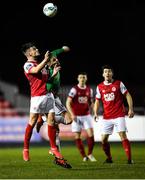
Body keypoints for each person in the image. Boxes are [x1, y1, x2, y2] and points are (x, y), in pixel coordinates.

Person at [21, 42, 71, 168]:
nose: (37, 49)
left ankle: (53, 148)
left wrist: (53, 73)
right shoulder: (28, 65)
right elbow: (35, 71)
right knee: (31, 122)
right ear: (29, 53)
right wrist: (45, 59)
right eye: (34, 48)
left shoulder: (40, 64)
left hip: (48, 95)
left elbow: (45, 81)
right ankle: (26, 149)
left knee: (51, 121)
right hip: (37, 97)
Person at [93, 64, 134, 164]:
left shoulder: (118, 83)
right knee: (103, 139)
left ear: (112, 73)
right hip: (107, 116)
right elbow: (97, 101)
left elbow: (127, 95)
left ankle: (129, 159)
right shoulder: (99, 87)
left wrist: (130, 109)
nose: (107, 73)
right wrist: (95, 113)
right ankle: (109, 158)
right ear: (103, 74)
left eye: (109, 71)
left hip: (119, 114)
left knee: (122, 135)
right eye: (105, 71)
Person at [36, 46, 73, 153]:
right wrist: (54, 74)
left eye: (56, 59)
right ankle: (56, 151)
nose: (56, 60)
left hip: (55, 97)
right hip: (50, 97)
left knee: (67, 121)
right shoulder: (46, 71)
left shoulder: (53, 59)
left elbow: (55, 52)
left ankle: (45, 120)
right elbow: (45, 87)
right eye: (54, 60)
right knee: (61, 124)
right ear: (47, 63)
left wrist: (63, 48)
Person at [66, 72, 97, 162]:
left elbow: (91, 102)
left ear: (86, 79)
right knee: (77, 136)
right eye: (80, 77)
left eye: (83, 77)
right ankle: (84, 156)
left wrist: (95, 112)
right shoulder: (74, 89)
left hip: (86, 115)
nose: (82, 79)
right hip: (77, 117)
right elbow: (68, 102)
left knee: (91, 134)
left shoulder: (89, 90)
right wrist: (72, 114)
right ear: (78, 79)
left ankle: (90, 154)